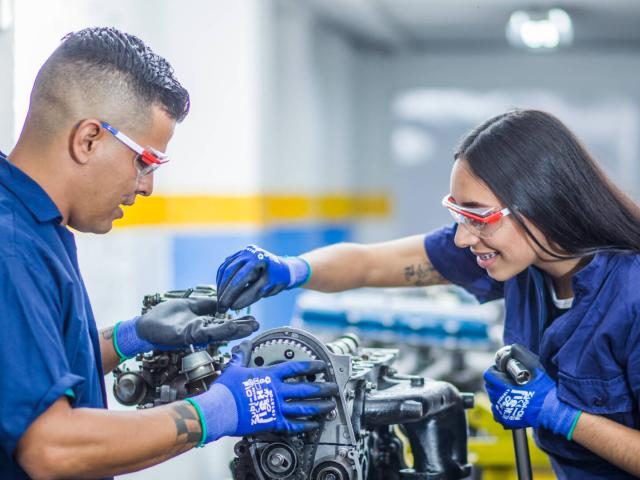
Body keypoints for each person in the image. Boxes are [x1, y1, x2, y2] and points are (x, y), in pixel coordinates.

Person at [216, 109, 640, 479]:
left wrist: (559, 414)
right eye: (458, 214)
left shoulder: (631, 293)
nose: (461, 239)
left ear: (544, 201)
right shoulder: (521, 265)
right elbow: (369, 263)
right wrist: (293, 268)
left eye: (478, 217)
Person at [1, 27, 337, 479]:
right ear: (88, 139)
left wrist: (131, 337)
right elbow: (51, 448)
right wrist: (217, 411)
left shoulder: (34, 223)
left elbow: (30, 374)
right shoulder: (13, 247)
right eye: (145, 161)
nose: (146, 186)